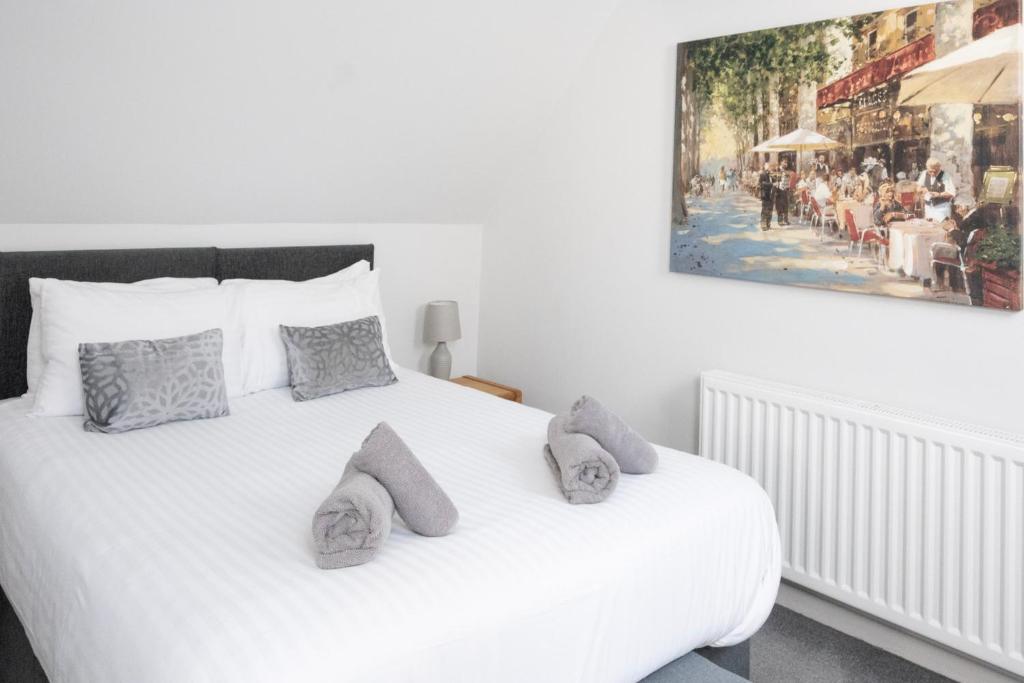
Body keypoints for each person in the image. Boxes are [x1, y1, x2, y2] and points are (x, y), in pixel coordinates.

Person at [758, 162, 775, 231]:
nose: (769, 167)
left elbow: (775, 181)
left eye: (770, 166)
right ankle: (763, 225)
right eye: (768, 166)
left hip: (771, 194)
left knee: (770, 209)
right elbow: (761, 183)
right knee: (765, 209)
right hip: (765, 194)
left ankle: (768, 223)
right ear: (765, 167)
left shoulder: (771, 174)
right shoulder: (762, 174)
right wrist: (771, 184)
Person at [774, 159, 791, 227]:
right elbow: (775, 180)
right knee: (779, 206)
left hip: (786, 190)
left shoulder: (786, 171)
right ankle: (780, 221)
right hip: (779, 190)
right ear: (781, 162)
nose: (785, 164)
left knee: (786, 205)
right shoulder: (778, 170)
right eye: (784, 162)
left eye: (786, 163)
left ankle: (786, 220)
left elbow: (788, 179)